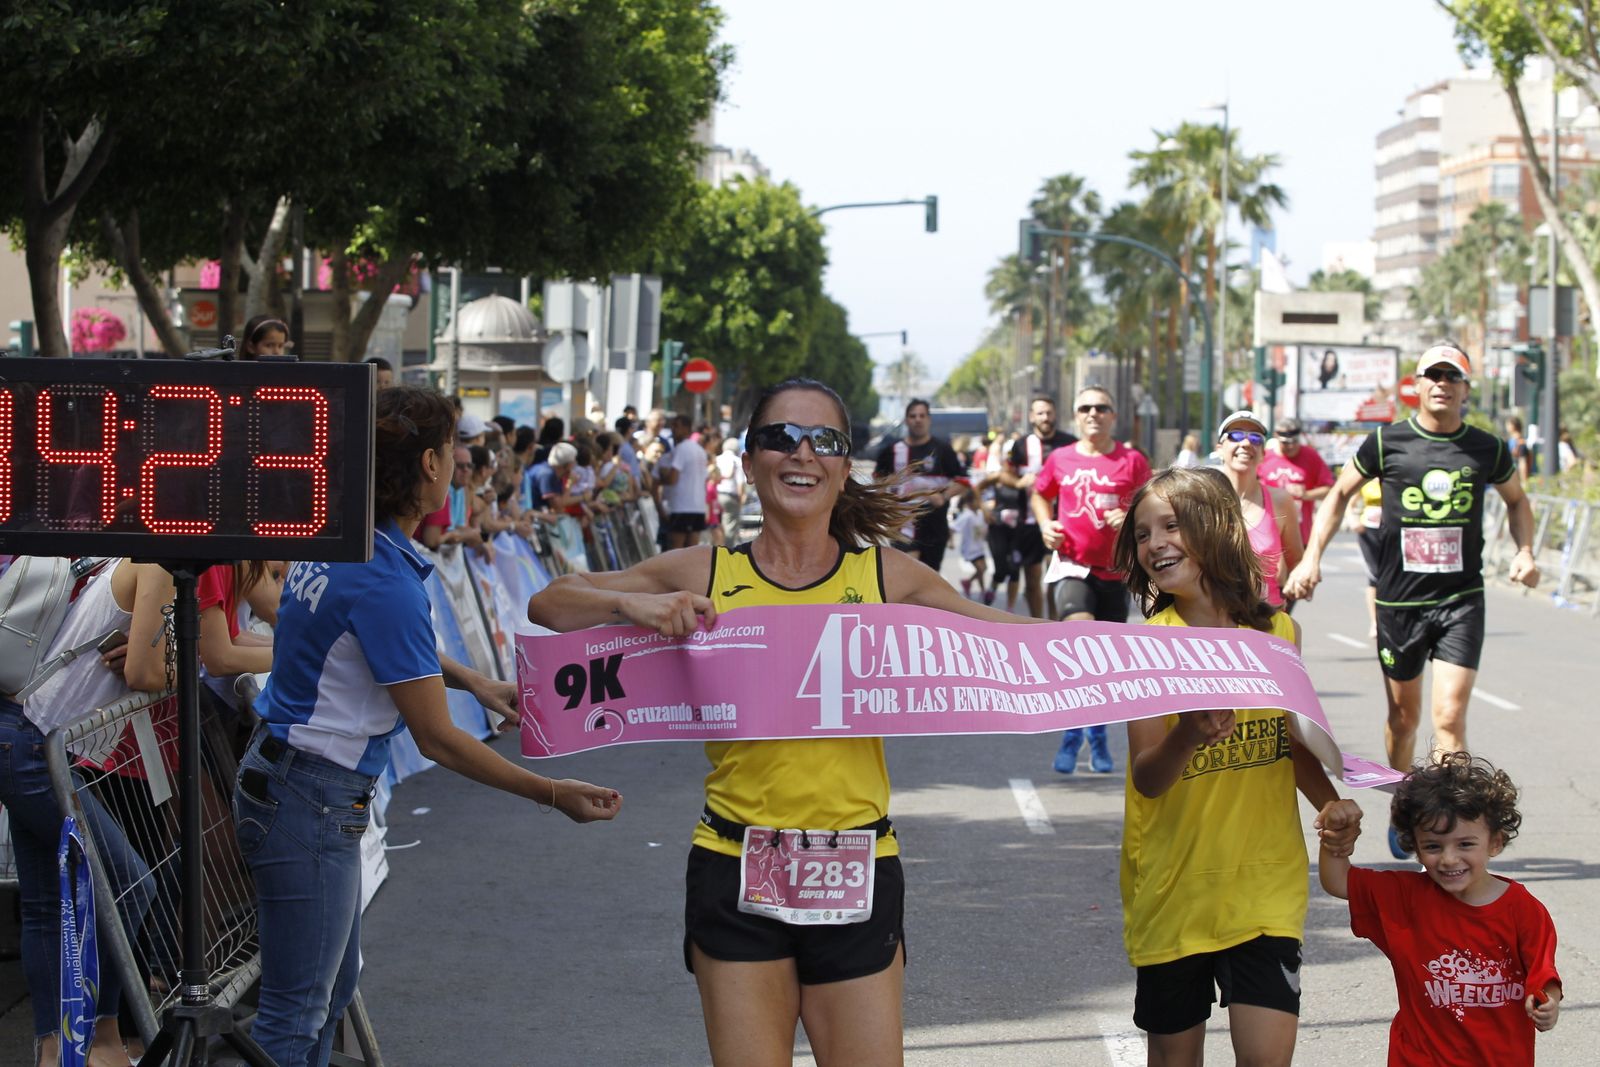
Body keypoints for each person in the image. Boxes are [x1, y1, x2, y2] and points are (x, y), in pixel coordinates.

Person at [528, 377, 1037, 1067]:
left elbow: (1027, 646)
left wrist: (1172, 653)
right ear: (747, 459)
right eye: (780, 437)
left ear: (844, 464)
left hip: (856, 866)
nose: (802, 452)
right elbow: (551, 603)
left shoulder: (888, 577)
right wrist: (636, 608)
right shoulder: (705, 570)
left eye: (824, 440)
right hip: (735, 866)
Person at [235, 385, 621, 1067]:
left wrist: (473, 679)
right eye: (456, 453)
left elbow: (382, 642)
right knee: (295, 1014)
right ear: (430, 466)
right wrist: (551, 792)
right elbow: (439, 737)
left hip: (296, 786)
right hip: (309, 799)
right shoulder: (384, 577)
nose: (463, 465)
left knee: (328, 988)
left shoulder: (348, 541)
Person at [1113, 466, 1363, 1066]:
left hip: (1264, 884)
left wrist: (1329, 802)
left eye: (1171, 525)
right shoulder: (1145, 646)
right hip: (1175, 889)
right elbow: (1148, 778)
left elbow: (1291, 739)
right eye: (1143, 534)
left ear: (1219, 529)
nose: (1155, 544)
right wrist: (1188, 737)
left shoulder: (1279, 633)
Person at [1286, 342, 1540, 856]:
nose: (1443, 383)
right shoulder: (1387, 442)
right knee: (1403, 722)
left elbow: (1517, 501)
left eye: (1453, 376)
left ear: (1466, 389)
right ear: (1417, 385)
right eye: (1433, 375)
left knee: (1449, 718)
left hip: (1461, 598)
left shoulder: (1485, 448)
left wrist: (1527, 551)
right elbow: (1338, 495)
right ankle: (1405, 804)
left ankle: (1451, 830)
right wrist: (1311, 557)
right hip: (1400, 602)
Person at [2, 558, 173, 1067]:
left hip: (27, 733)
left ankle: (57, 1050)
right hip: (36, 744)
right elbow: (148, 671)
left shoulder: (125, 560)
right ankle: (98, 1040)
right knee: (127, 885)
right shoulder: (157, 561)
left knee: (45, 904)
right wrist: (180, 663)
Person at [1318, 752, 1561, 1064]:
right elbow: (1339, 881)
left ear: (1495, 842)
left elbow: (1544, 974)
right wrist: (1336, 839)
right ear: (1416, 848)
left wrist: (1546, 1002)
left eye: (1465, 844)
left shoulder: (1522, 909)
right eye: (1433, 846)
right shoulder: (1404, 897)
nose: (1448, 859)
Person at [1033, 386, 1151, 774]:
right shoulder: (1060, 458)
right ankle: (1071, 734)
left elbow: (1153, 503)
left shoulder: (1131, 461)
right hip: (1072, 566)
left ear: (1113, 416)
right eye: (1085, 408)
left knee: (1104, 664)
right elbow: (1040, 494)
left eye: (1102, 407)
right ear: (1076, 415)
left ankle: (1096, 734)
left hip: (1115, 573)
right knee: (1079, 645)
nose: (1093, 414)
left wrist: (1132, 517)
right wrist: (1045, 523)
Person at [1215, 411, 1304, 611]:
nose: (1246, 444)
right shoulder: (1201, 499)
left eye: (1255, 438)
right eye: (1235, 435)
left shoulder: (1280, 500)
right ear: (1220, 448)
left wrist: (1293, 584)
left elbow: (1296, 560)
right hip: (1214, 622)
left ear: (1263, 453)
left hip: (1264, 620)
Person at [1003, 394, 1078, 617]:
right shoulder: (1020, 445)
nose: (1045, 417)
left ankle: (1054, 623)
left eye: (1049, 413)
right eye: (1040, 413)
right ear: (1031, 417)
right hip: (1028, 521)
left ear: (1055, 415)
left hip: (1063, 522)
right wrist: (1018, 481)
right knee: (1033, 579)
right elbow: (1004, 474)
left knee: (1055, 578)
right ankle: (1038, 625)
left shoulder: (1070, 443)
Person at [873, 398, 965, 571]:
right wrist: (886, 505)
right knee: (908, 574)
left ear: (928, 419)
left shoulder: (943, 450)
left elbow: (964, 482)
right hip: (903, 526)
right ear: (906, 420)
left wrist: (943, 496)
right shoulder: (891, 451)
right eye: (913, 416)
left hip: (934, 527)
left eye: (922, 416)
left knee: (928, 582)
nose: (918, 419)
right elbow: (878, 483)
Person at [1258, 416, 1335, 548]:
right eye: (1286, 443)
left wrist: (1306, 495)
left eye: (1295, 441)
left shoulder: (1310, 456)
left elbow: (1330, 489)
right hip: (1269, 534)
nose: (1291, 446)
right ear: (1276, 437)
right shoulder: (1264, 457)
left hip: (1300, 536)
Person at [660, 413, 710, 549]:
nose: (673, 429)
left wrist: (660, 479)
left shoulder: (681, 449)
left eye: (676, 426)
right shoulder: (700, 451)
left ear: (686, 429)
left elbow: (672, 478)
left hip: (681, 506)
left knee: (676, 550)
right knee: (691, 551)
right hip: (697, 506)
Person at [950, 484, 989, 598]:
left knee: (984, 568)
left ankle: (973, 585)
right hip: (970, 548)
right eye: (977, 500)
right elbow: (953, 528)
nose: (979, 503)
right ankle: (980, 590)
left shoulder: (980, 514)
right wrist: (951, 541)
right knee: (981, 569)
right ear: (970, 502)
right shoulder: (966, 516)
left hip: (979, 547)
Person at [1504, 415, 1530, 483]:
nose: (1506, 426)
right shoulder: (1512, 441)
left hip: (1516, 478)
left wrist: (1524, 481)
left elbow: (1522, 463)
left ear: (1513, 425)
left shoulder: (1520, 443)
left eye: (1508, 424)